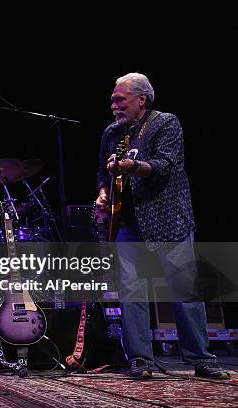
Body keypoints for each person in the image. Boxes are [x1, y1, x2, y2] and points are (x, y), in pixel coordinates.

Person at [95, 73, 229, 379]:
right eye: (113, 99)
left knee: (184, 291)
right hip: (129, 222)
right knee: (132, 291)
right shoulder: (111, 134)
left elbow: (166, 165)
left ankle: (201, 359)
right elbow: (102, 176)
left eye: (120, 99)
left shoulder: (166, 123)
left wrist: (132, 166)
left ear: (141, 99)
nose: (113, 105)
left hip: (169, 218)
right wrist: (103, 193)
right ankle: (141, 359)